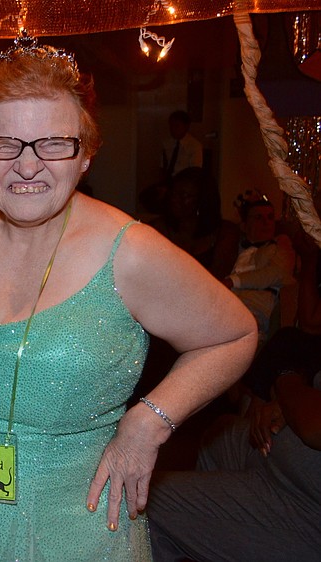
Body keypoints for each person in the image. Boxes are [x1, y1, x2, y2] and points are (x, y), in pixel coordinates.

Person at [0, 36, 257, 561]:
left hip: (64, 531)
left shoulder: (129, 253)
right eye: (3, 143)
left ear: (86, 153)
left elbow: (235, 334)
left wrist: (149, 422)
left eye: (53, 143)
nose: (28, 167)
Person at [147, 365, 321, 562]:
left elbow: (313, 430)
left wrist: (287, 383)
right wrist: (294, 406)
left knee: (145, 504)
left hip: (304, 503)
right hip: (281, 452)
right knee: (221, 433)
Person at [222, 189, 295, 345]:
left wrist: (233, 281)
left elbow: (274, 274)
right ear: (244, 225)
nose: (266, 222)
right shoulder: (233, 247)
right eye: (258, 217)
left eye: (270, 217)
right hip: (224, 305)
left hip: (254, 310)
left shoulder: (278, 248)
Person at [149, 166, 240, 280]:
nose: (175, 199)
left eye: (184, 196)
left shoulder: (226, 232)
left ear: (202, 200)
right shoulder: (159, 228)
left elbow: (218, 275)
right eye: (173, 193)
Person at [161, 110, 203, 180]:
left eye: (176, 126)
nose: (172, 129)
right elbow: (163, 166)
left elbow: (195, 172)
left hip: (184, 181)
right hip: (168, 180)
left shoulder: (194, 146)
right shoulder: (167, 143)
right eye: (171, 126)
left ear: (186, 127)